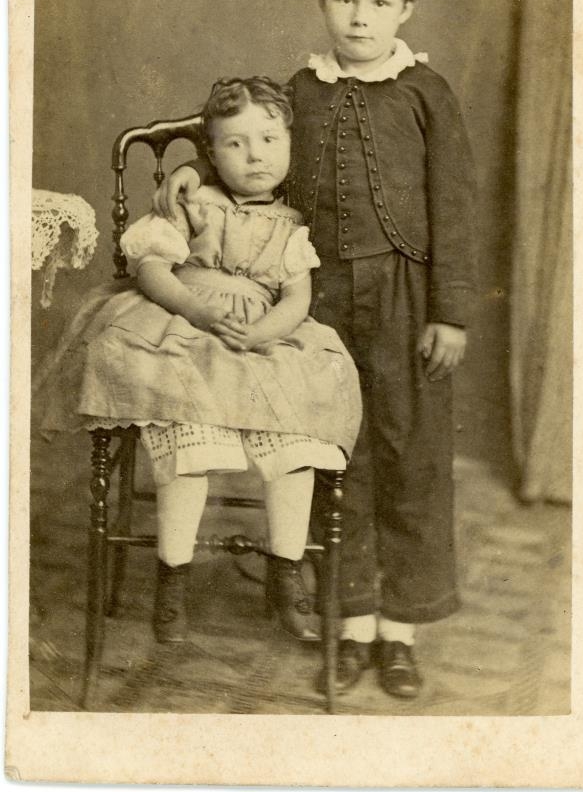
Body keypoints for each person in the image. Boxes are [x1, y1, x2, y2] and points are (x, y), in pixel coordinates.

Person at [154, 0, 477, 698]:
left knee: (411, 456)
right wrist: (194, 169)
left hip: (405, 296)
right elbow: (245, 141)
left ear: (406, 9)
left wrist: (450, 312)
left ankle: (399, 631)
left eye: (378, 3)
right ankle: (352, 621)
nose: (359, 18)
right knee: (339, 451)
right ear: (321, 1)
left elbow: (455, 206)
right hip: (317, 298)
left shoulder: (426, 93)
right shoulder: (300, 90)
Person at [41, 76, 362, 647]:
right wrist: (196, 310)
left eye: (269, 140)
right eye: (236, 143)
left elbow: (296, 299)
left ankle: (285, 570)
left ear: (290, 145)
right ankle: (173, 577)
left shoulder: (292, 225)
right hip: (183, 325)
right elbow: (150, 269)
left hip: (258, 338)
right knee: (190, 441)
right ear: (211, 153)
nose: (256, 155)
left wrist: (262, 332)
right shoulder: (194, 204)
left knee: (297, 439)